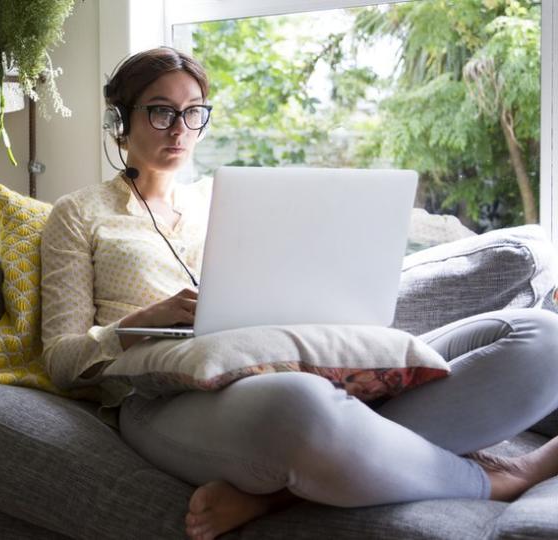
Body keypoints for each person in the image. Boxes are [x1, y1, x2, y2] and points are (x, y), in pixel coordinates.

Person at [39, 46, 558, 540]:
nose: (180, 129)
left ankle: (281, 495)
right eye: (160, 112)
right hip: (168, 395)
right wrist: (140, 322)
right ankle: (495, 479)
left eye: (194, 113)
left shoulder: (226, 200)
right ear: (119, 122)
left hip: (289, 359)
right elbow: (61, 360)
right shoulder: (79, 213)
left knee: (541, 338)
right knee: (302, 406)